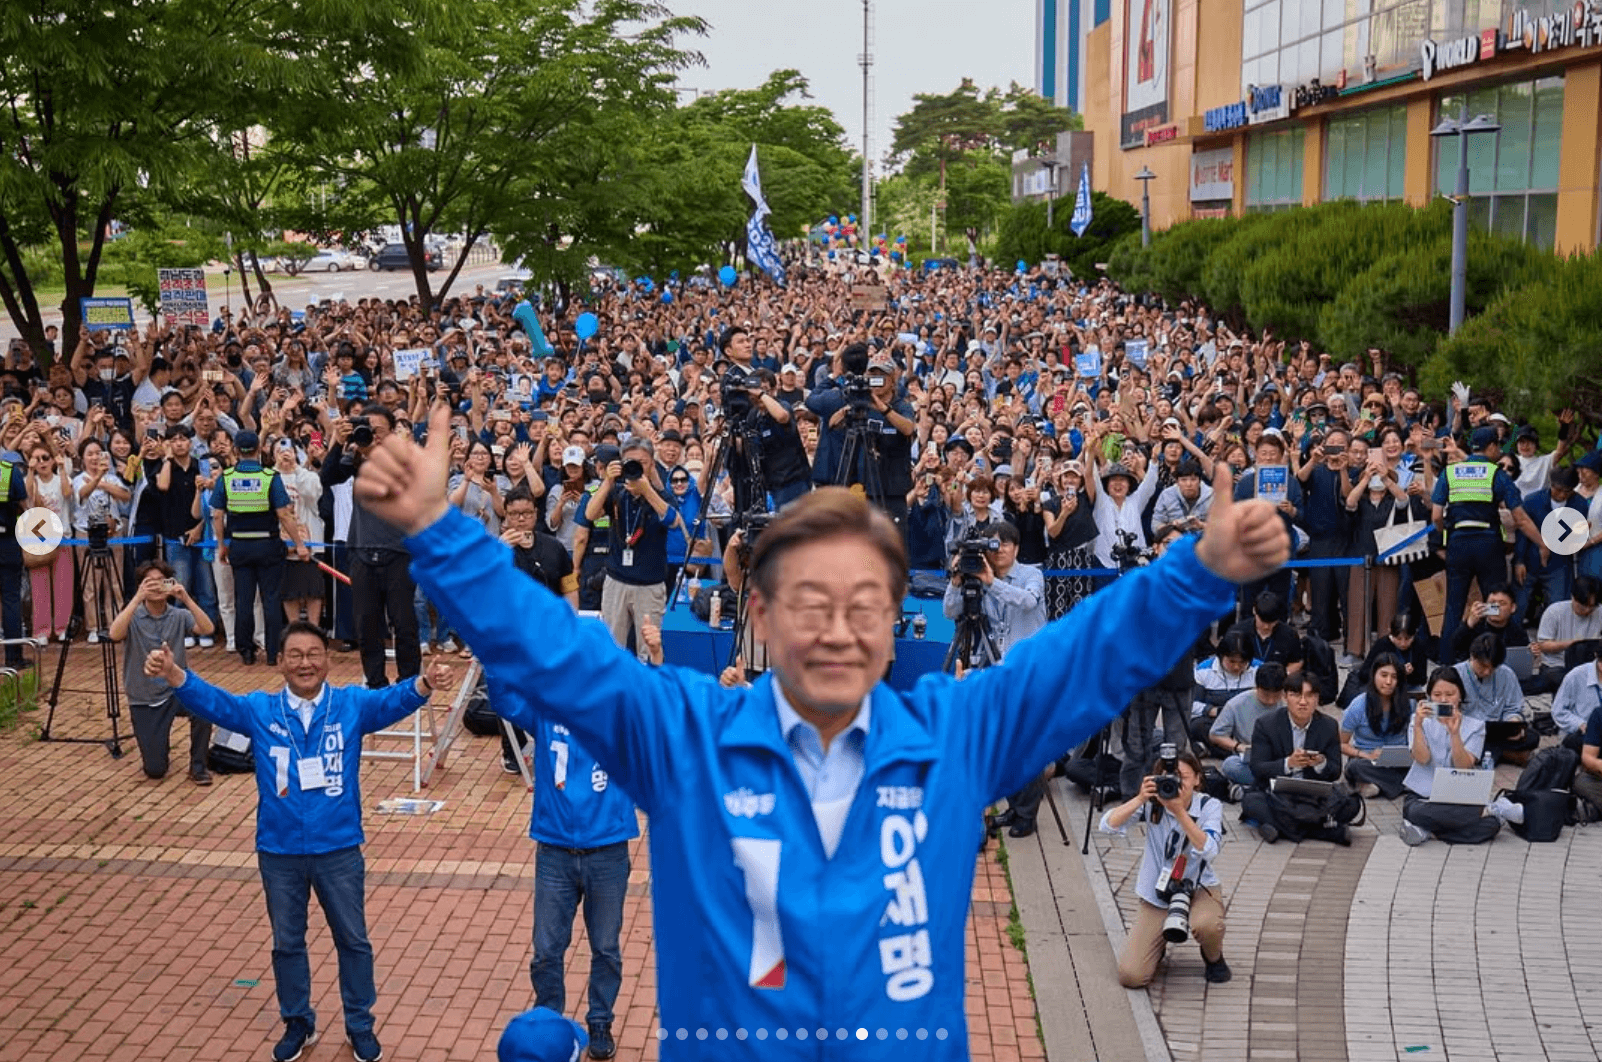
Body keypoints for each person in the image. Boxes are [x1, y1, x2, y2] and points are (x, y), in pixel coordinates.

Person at [353, 406, 1287, 1055]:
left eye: (863, 605)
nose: (839, 629)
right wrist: (438, 530)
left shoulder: (955, 736)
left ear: (897, 622)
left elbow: (1079, 662)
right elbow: (558, 655)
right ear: (759, 613)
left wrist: (1199, 572)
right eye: (811, 602)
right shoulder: (686, 738)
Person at [144, 623, 454, 1062]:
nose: (305, 663)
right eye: (295, 655)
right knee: (287, 942)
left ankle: (360, 1026)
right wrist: (176, 674)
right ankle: (298, 1023)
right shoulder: (260, 709)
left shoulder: (350, 705)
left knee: (353, 941)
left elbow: (392, 701)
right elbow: (217, 704)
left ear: (327, 660)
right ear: (281, 662)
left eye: (313, 654)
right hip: (280, 850)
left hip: (338, 848)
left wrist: (425, 682)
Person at [1099, 749, 1231, 988]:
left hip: (1198, 887)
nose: (1175, 784)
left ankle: (1213, 957)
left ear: (1197, 779)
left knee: (1206, 925)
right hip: (1158, 891)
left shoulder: (1209, 805)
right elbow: (1107, 826)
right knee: (1131, 976)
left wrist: (1180, 812)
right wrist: (1140, 798)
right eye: (1168, 778)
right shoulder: (1153, 803)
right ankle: (1156, 946)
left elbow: (1210, 849)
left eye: (1182, 777)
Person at [320, 404, 421, 688]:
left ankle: (408, 684)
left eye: (379, 431)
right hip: (361, 550)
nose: (372, 436)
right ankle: (376, 685)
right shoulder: (355, 457)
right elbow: (328, 478)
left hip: (400, 552)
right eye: (368, 430)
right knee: (367, 624)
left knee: (404, 623)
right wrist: (339, 443)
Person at [1432, 426, 1543, 662]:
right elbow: (1520, 519)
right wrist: (1543, 543)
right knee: (1495, 604)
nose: (1499, 450)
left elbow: (1436, 516)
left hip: (1458, 545)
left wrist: (1447, 532)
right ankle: (1497, 656)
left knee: (1453, 606)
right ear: (1491, 446)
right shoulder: (1496, 474)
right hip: (1488, 546)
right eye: (1498, 446)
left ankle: (1448, 661)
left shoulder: (1450, 472)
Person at [108, 561, 216, 783]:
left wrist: (186, 598)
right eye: (150, 583)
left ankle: (198, 766)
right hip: (144, 697)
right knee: (155, 770)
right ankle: (159, 745)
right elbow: (114, 634)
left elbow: (207, 628)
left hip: (175, 690)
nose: (157, 587)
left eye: (162, 581)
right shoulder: (133, 616)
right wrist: (137, 598)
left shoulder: (178, 615)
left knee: (204, 706)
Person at [211, 430, 309, 666]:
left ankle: (246, 651)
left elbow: (217, 515)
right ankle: (274, 653)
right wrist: (299, 544)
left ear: (236, 450)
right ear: (259, 449)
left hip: (239, 545)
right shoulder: (269, 476)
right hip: (268, 545)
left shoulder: (226, 477)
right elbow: (284, 514)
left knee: (243, 599)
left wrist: (222, 545)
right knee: (271, 599)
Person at [1397, 667, 1520, 846]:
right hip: (1424, 797)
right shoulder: (1419, 720)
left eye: (1450, 694)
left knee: (1490, 826)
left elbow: (1463, 767)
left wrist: (1455, 734)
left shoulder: (1476, 726)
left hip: (1459, 798)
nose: (1443, 700)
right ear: (1429, 696)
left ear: (1460, 695)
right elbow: (1422, 758)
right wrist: (1417, 726)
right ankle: (1489, 810)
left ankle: (1426, 830)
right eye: (1437, 694)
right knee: (1414, 812)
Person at [1239, 669, 1350, 845]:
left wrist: (1320, 763)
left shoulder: (1328, 725)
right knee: (1251, 801)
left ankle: (1281, 827)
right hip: (1278, 792)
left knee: (1351, 803)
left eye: (1309, 696)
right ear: (1285, 697)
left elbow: (1335, 771)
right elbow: (1257, 768)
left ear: (1317, 699)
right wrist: (1288, 763)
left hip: (1313, 794)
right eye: (1296, 695)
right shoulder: (1266, 724)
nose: (1303, 702)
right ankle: (1322, 831)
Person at [1339, 654, 1412, 799]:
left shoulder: (1408, 704)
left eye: (1394, 677)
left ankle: (1373, 785)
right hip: (1367, 759)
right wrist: (1366, 755)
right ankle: (1403, 785)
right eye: (1383, 675)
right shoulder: (1359, 705)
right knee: (1354, 767)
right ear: (1374, 676)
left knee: (1423, 765)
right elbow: (1341, 744)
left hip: (1398, 761)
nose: (1388, 682)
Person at [1454, 632, 1533, 765]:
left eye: (1493, 668)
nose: (1487, 672)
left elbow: (1513, 708)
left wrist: (1513, 723)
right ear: (1472, 656)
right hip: (1467, 732)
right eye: (1483, 666)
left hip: (1496, 731)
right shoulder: (1455, 674)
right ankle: (1504, 754)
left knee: (1531, 737)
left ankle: (1488, 753)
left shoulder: (1507, 674)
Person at [1208, 662, 1286, 788]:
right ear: (1256, 686)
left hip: (1284, 760)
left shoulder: (1290, 702)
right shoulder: (1237, 704)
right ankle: (1275, 784)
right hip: (1253, 760)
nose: (1271, 701)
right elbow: (1215, 734)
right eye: (1266, 695)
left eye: (1276, 695)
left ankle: (1266, 784)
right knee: (1230, 765)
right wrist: (1239, 746)